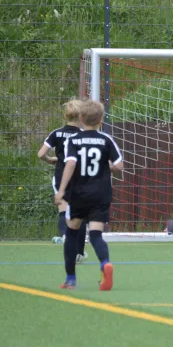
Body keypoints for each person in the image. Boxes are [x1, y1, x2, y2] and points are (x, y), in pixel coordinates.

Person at [54, 99, 124, 290]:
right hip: (101, 194)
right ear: (100, 119)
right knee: (96, 235)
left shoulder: (73, 140)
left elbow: (70, 164)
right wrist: (106, 165)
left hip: (78, 194)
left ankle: (70, 279)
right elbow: (119, 165)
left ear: (81, 118)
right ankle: (104, 264)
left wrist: (60, 190)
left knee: (71, 232)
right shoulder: (106, 139)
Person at [37, 99, 87, 262]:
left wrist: (50, 159)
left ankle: (65, 235)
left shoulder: (56, 133)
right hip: (80, 178)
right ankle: (79, 252)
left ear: (65, 115)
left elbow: (40, 154)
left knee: (63, 210)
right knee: (80, 214)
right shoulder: (83, 134)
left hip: (60, 177)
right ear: (81, 117)